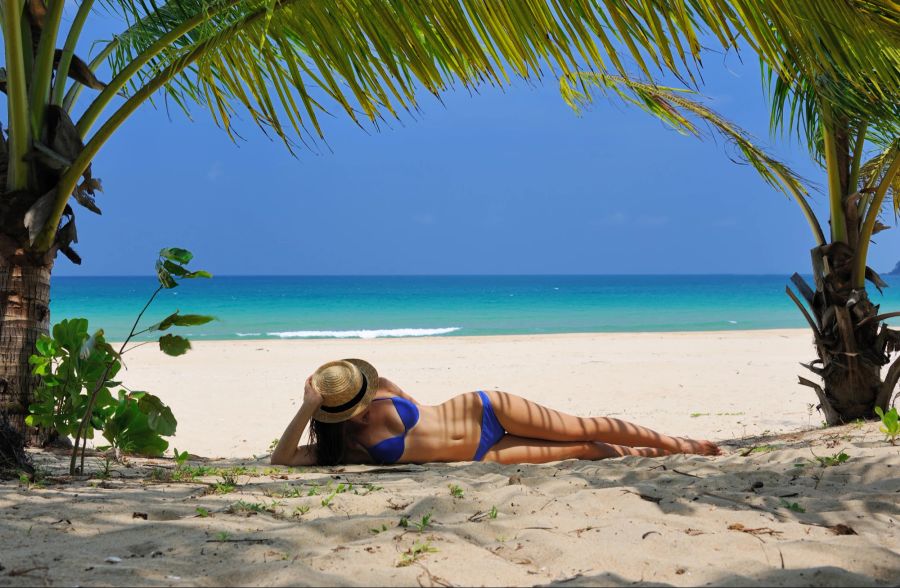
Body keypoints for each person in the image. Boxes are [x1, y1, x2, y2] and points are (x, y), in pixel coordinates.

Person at [271, 358, 720, 467]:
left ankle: (683, 444)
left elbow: (422, 408)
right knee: (584, 448)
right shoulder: (343, 447)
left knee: (585, 426)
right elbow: (282, 460)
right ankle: (654, 456)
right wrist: (306, 406)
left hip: (483, 410)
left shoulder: (384, 389)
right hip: (481, 457)